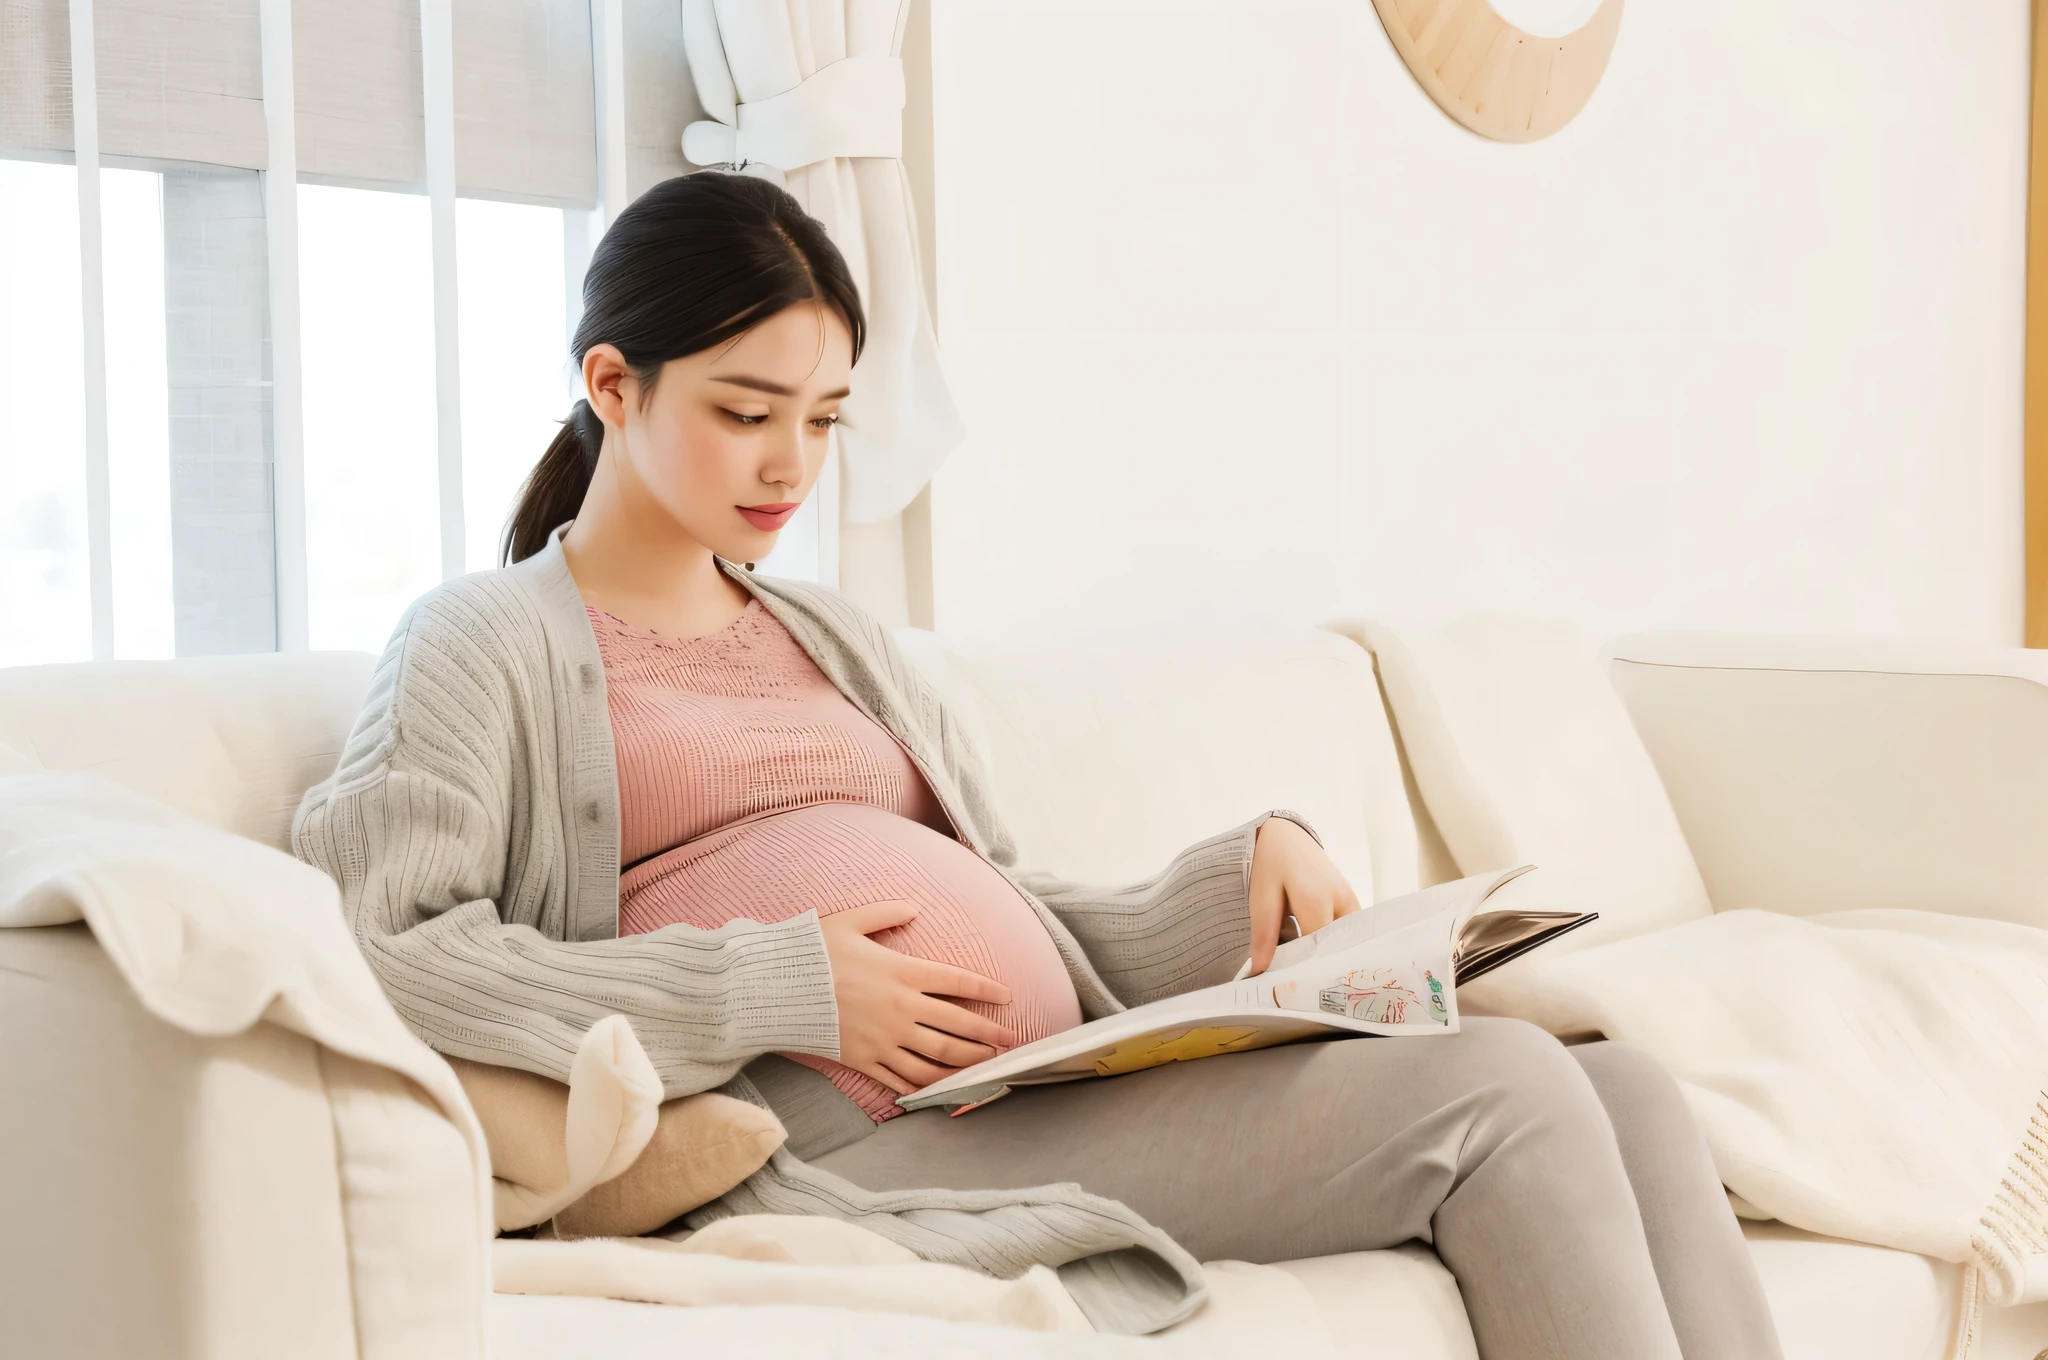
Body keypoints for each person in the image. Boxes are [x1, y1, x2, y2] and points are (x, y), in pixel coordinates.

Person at [292, 172, 1781, 1360]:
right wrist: (782, 986)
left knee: (1630, 1087)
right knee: (1503, 1091)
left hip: (1021, 1082)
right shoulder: (480, 643)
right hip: (836, 1139)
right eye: (745, 413)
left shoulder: (829, 632)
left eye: (823, 418)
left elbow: (1008, 903)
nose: (790, 465)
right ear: (614, 385)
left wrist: (1225, 890)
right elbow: (391, 950)